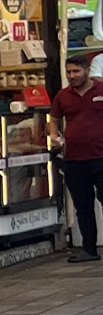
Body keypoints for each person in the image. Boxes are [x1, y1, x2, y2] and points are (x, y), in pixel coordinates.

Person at [49, 53, 103, 263]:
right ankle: (89, 250)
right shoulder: (63, 96)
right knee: (83, 205)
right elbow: (54, 119)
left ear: (87, 70)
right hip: (74, 159)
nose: (72, 76)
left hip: (101, 156)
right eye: (68, 72)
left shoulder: (101, 90)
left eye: (76, 71)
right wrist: (54, 135)